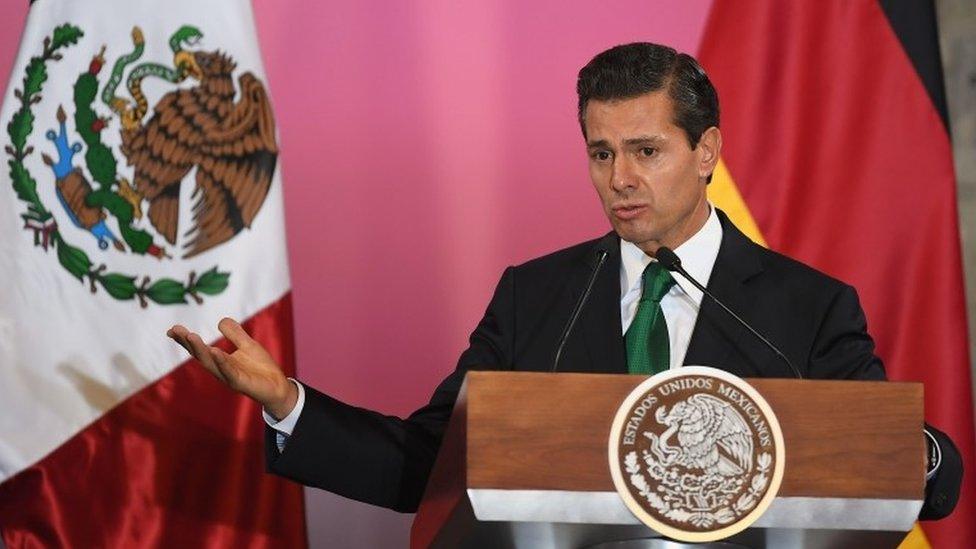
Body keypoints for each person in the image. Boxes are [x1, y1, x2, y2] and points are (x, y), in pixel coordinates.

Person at [167, 42, 961, 520]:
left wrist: (904, 450)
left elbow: (914, 474)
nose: (620, 178)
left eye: (646, 151)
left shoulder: (807, 307)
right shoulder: (536, 295)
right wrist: (287, 403)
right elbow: (429, 464)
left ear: (708, 151)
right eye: (600, 152)